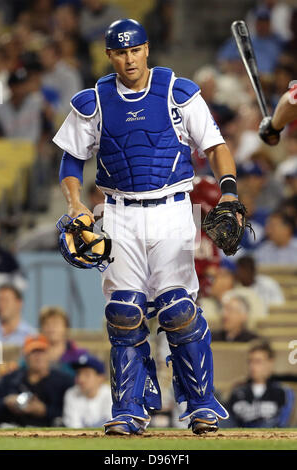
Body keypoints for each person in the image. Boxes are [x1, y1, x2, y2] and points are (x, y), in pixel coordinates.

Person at [53, 18, 247, 436]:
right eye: (120, 52)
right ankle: (129, 410)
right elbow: (71, 159)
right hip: (118, 212)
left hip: (174, 209)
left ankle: (201, 406)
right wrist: (76, 204)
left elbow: (215, 146)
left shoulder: (177, 92)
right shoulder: (95, 100)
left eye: (135, 50)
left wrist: (229, 192)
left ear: (146, 50)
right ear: (110, 56)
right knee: (124, 313)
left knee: (179, 310)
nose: (128, 58)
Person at [0, 334, 74, 427]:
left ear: (48, 354)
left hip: (49, 431)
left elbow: (72, 414)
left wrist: (44, 411)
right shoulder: (10, 379)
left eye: (42, 351)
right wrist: (6, 403)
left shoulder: (64, 381)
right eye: (33, 352)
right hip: (14, 428)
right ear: (25, 357)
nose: (38, 357)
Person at [226, 341, 295, 427]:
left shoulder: (282, 392)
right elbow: (228, 421)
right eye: (250, 361)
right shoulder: (237, 391)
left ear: (270, 363)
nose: (252, 366)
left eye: (258, 362)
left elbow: (282, 422)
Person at [62, 353, 112, 428]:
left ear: (101, 378)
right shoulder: (71, 393)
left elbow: (111, 426)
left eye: (87, 374)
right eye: (78, 374)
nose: (81, 379)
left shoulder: (110, 395)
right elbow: (73, 428)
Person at [39, 305, 88, 375]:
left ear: (65, 327)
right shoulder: (33, 354)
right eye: (47, 324)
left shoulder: (79, 355)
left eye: (56, 323)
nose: (51, 327)